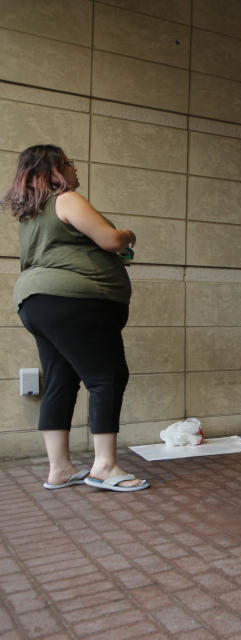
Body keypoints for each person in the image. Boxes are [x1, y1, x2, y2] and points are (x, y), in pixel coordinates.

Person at [2, 144, 147, 491]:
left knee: (60, 379)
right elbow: (110, 240)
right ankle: (105, 467)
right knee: (107, 376)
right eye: (69, 163)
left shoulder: (31, 215)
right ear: (53, 171)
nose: (75, 169)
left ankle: (60, 469)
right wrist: (128, 235)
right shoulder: (65, 199)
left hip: (36, 303)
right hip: (74, 301)